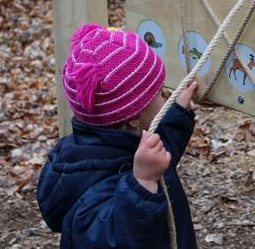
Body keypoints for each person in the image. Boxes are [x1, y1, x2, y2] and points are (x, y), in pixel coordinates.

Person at [37, 23, 198, 248]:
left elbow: (158, 150)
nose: (166, 96)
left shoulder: (118, 146)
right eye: (160, 94)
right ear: (133, 118)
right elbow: (117, 239)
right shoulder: (91, 193)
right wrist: (142, 183)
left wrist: (177, 114)